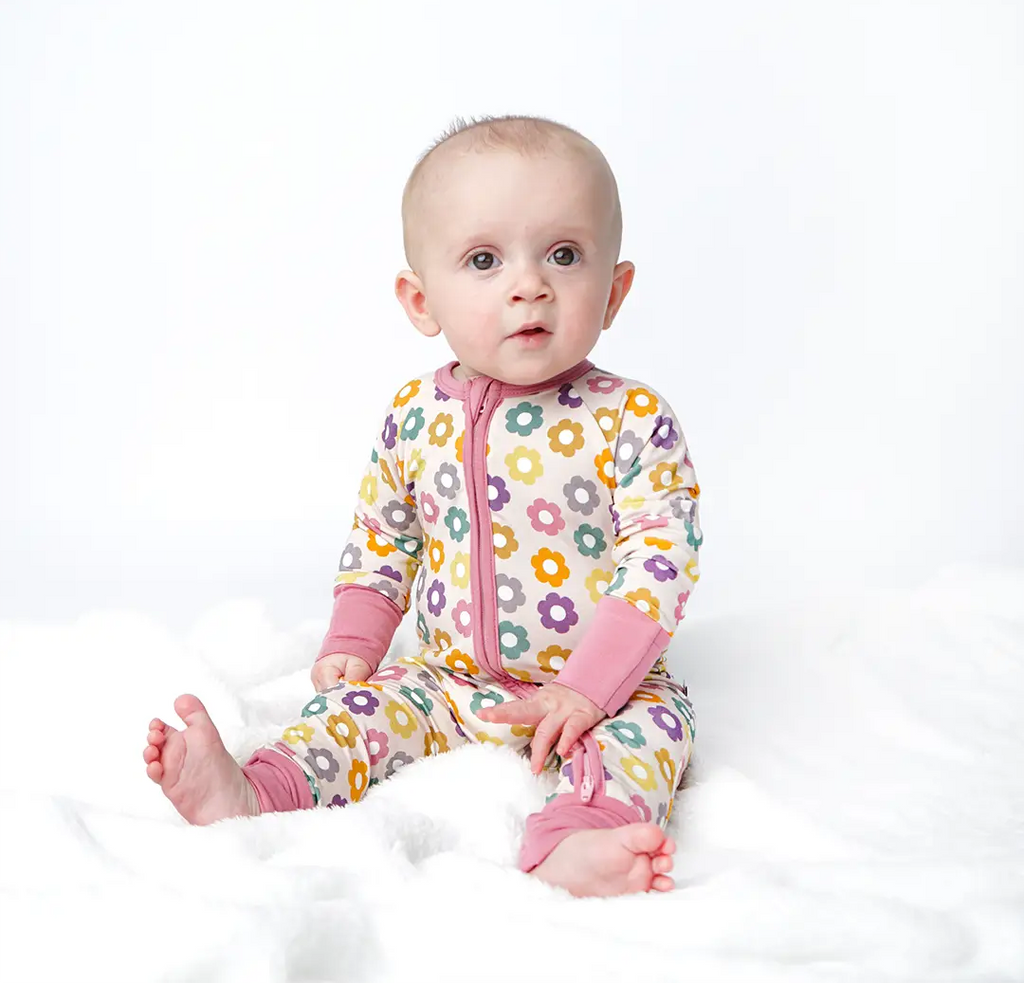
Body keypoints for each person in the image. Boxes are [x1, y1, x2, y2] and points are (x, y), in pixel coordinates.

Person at [143, 114, 703, 899]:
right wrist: (355, 638)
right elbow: (384, 533)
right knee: (353, 716)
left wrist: (589, 687)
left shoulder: (630, 419)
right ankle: (257, 789)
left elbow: (660, 557)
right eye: (484, 260)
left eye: (564, 255)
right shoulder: (415, 415)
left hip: (604, 690)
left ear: (613, 292)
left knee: (647, 743)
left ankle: (580, 839)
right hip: (446, 680)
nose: (529, 285)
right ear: (420, 299)